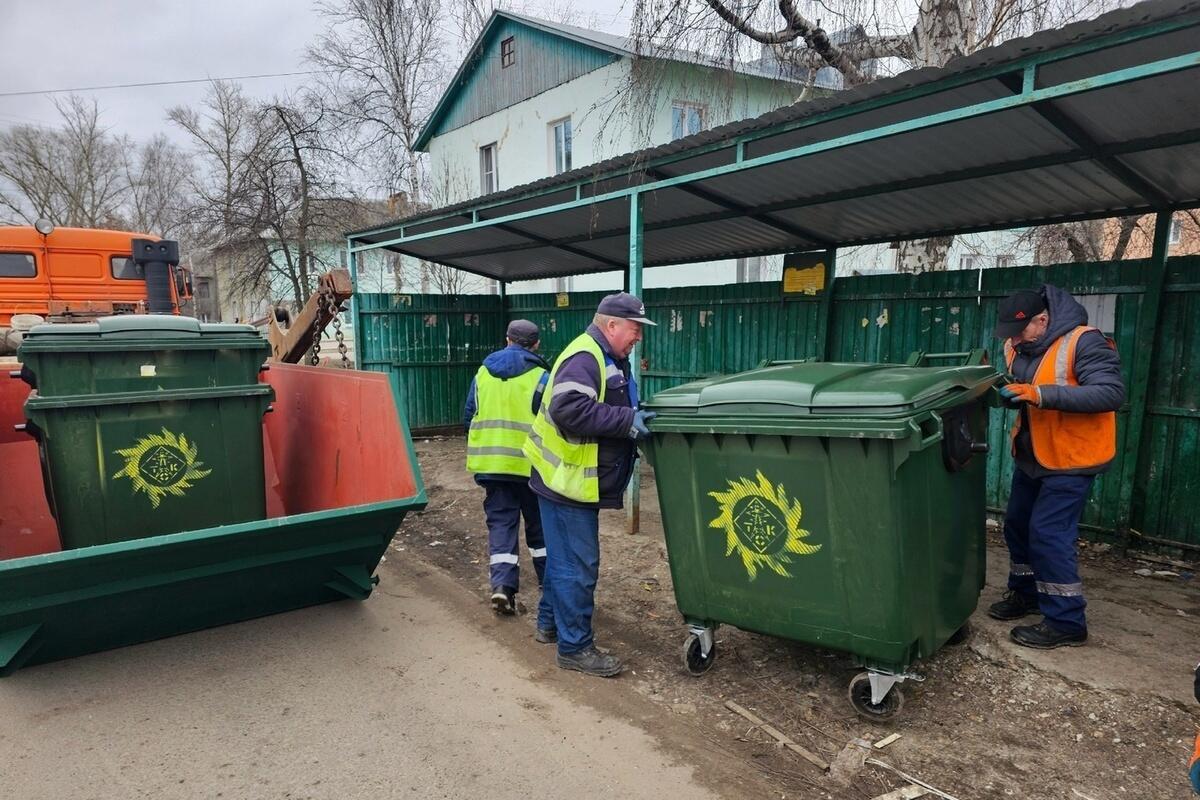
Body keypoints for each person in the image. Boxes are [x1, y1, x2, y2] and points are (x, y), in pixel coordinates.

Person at [523, 292, 656, 677]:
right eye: (634, 330)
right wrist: (626, 421)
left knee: (563, 560)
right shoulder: (586, 357)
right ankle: (575, 648)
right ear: (611, 325)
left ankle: (550, 625)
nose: (638, 337)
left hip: (568, 479)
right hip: (567, 482)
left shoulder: (609, 357)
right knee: (577, 566)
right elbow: (569, 409)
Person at [987, 285, 1124, 649]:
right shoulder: (1015, 345)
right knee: (1017, 524)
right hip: (1033, 453)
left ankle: (1066, 620)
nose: (1013, 339)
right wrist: (1010, 396)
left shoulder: (1085, 342)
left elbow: (1110, 393)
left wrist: (1039, 395)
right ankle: (1026, 594)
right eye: (1009, 333)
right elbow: (1024, 389)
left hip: (1073, 457)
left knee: (1048, 533)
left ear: (1042, 320)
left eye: (1019, 331)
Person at [463, 319, 551, 621]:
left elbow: (468, 415)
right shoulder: (542, 377)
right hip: (531, 468)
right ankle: (548, 586)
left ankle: (502, 586)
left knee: (502, 525)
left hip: (492, 466)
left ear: (507, 339)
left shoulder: (483, 373)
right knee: (539, 529)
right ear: (536, 344)